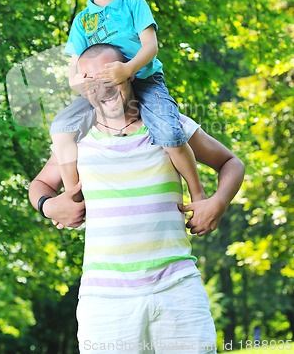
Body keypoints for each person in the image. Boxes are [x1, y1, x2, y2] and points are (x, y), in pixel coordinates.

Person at [29, 44, 245, 354]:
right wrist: (49, 205)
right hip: (105, 303)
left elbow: (231, 163)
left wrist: (217, 202)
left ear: (130, 75)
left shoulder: (170, 126)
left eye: (110, 77)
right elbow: (39, 185)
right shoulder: (77, 139)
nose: (103, 89)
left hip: (178, 290)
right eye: (93, 82)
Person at [50, 0, 205, 205]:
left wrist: (128, 69)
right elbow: (74, 65)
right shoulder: (82, 20)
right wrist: (79, 84)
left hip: (144, 80)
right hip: (101, 89)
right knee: (61, 127)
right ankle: (74, 197)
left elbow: (150, 46)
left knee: (169, 133)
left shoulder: (134, 5)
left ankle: (198, 192)